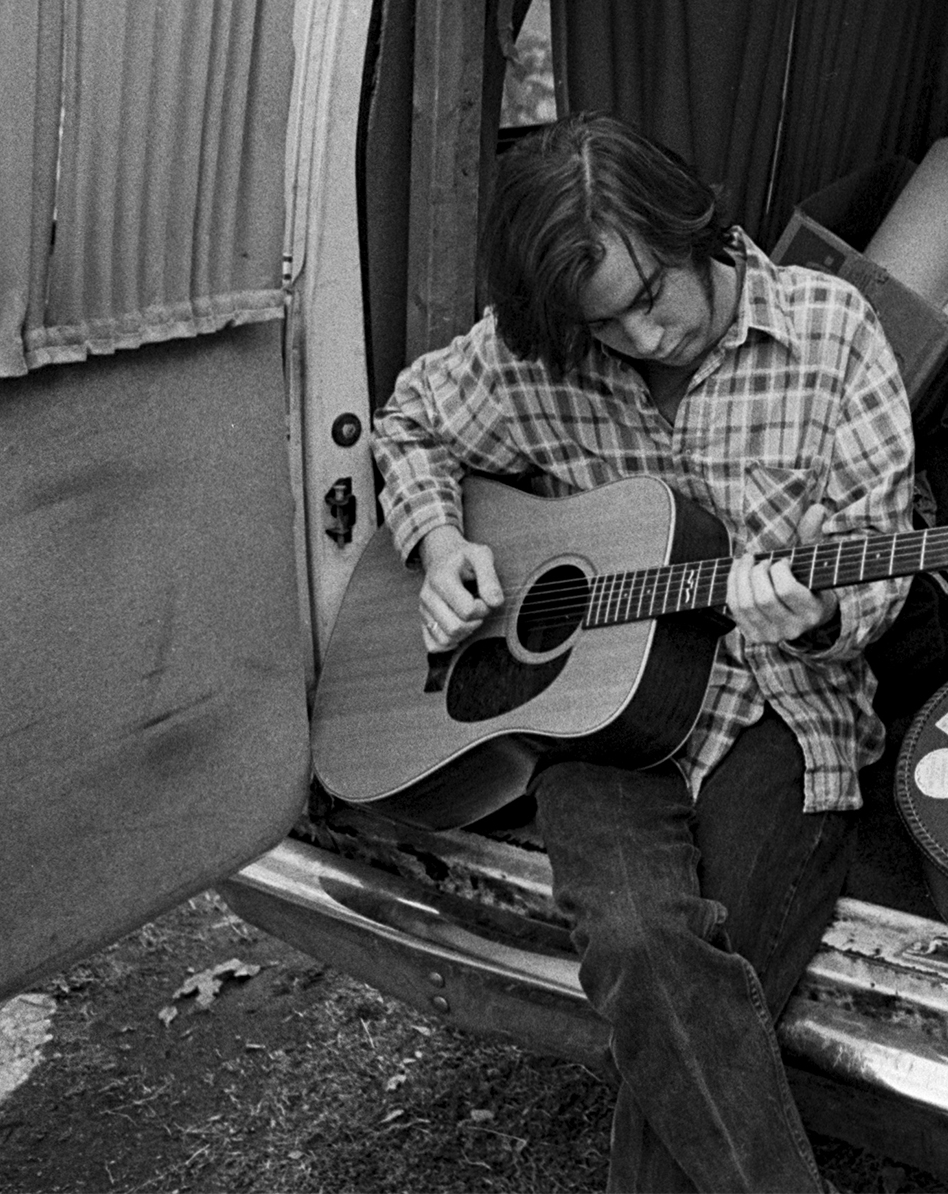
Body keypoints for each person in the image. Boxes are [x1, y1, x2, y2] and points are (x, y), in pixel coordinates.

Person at [371, 112, 914, 1192]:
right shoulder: (538, 356)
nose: (644, 339)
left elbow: (879, 565)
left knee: (706, 987)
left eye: (651, 295)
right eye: (604, 327)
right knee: (635, 942)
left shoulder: (830, 329)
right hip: (594, 718)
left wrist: (808, 613)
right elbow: (413, 421)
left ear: (689, 226)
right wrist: (439, 548)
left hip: (781, 708)